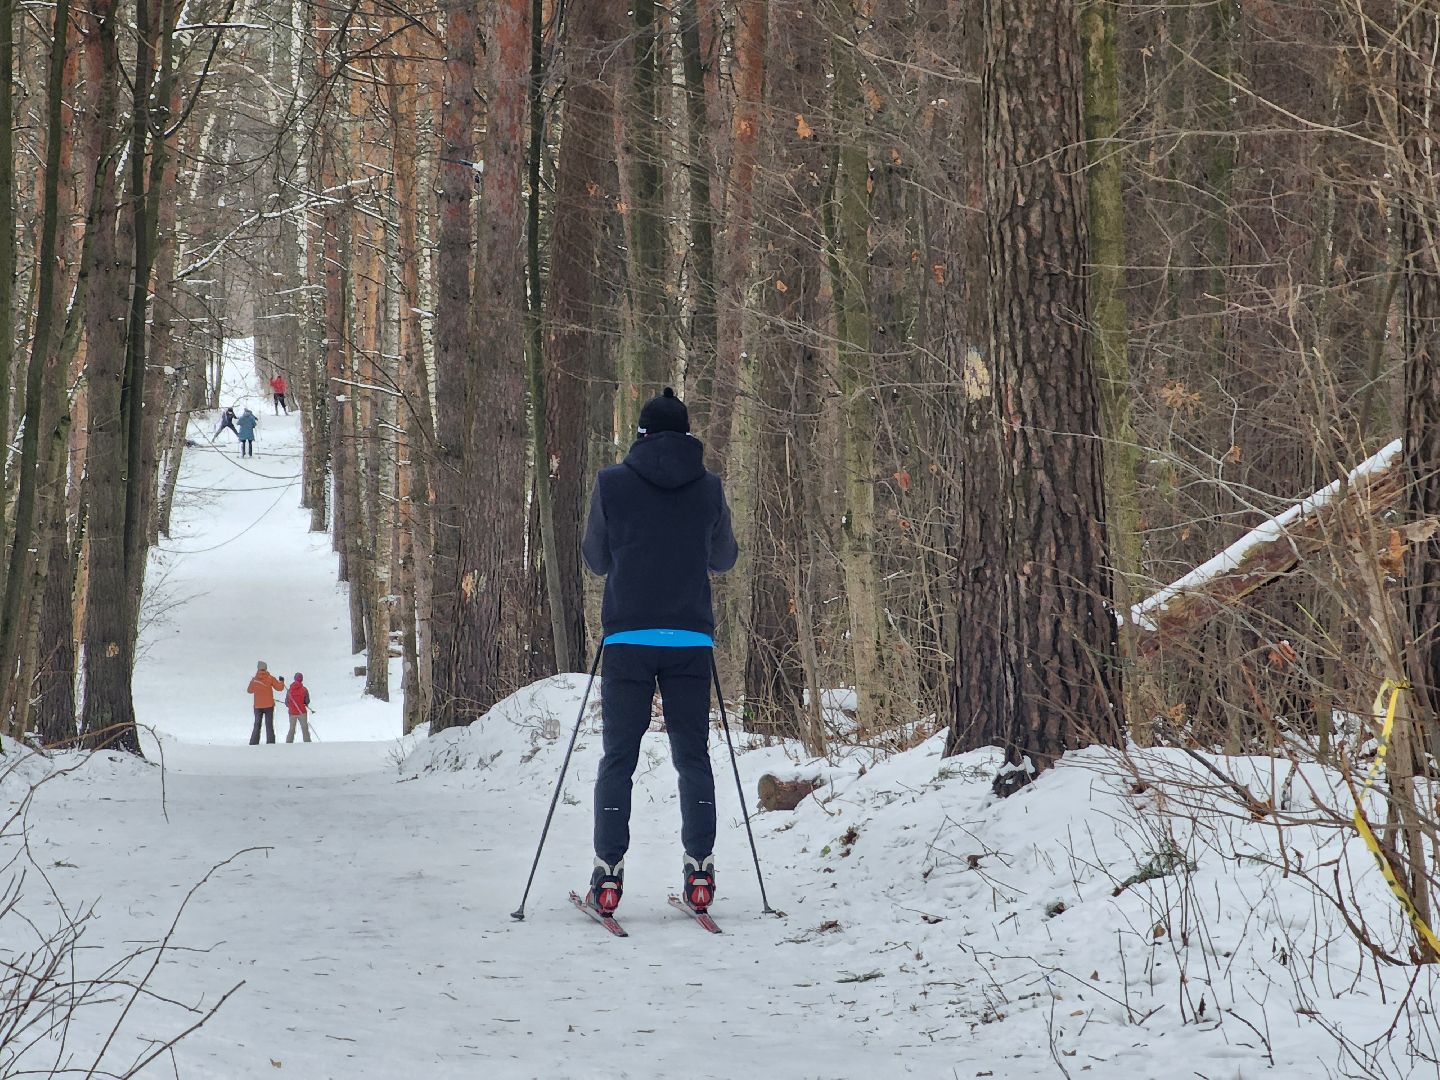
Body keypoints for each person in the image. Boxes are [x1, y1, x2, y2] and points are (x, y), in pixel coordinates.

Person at [580, 387, 738, 916]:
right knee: (692, 755)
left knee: (618, 757)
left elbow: (596, 561)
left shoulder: (611, 483)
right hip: (690, 639)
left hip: (627, 637)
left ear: (641, 435)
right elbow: (724, 559)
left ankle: (608, 873)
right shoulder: (708, 487)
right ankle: (700, 869)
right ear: (688, 435)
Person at [247, 662, 285, 745]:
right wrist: (282, 681)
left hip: (258, 706)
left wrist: (252, 682)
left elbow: (249, 691)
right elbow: (279, 688)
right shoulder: (270, 678)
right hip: (269, 705)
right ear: (266, 668)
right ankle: (270, 742)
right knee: (269, 725)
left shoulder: (255, 680)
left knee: (257, 724)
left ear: (258, 668)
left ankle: (254, 742)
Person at [284, 673, 313, 743]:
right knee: (304, 728)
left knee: (292, 729)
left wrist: (291, 706)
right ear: (302, 679)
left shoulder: (290, 690)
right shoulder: (304, 689)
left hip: (292, 713)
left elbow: (287, 702)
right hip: (302, 712)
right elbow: (307, 701)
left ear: (294, 679)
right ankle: (307, 742)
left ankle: (288, 743)